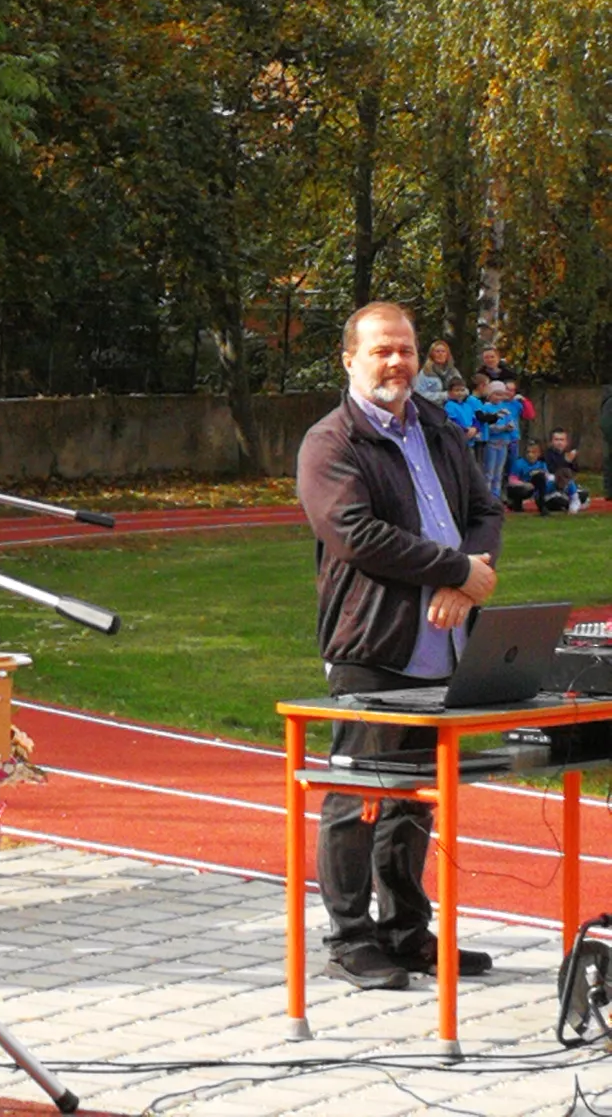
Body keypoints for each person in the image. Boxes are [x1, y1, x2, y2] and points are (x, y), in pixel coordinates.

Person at [294, 301, 503, 992]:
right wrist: (454, 569)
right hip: (371, 645)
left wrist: (470, 579)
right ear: (349, 358)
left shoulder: (438, 427)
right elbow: (356, 533)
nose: (397, 363)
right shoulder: (331, 442)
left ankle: (408, 932)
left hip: (444, 646)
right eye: (382, 350)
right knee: (357, 795)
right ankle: (350, 940)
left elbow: (484, 510)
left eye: (406, 350)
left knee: (416, 799)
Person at [480, 381, 520, 501]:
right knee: (489, 473)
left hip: (504, 443)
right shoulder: (486, 407)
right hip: (491, 444)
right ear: (490, 394)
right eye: (496, 394)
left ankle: (496, 498)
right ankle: (487, 499)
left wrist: (511, 428)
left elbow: (511, 422)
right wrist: (502, 428)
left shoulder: (505, 408)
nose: (499, 397)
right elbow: (488, 427)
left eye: (501, 395)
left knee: (499, 473)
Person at [543, 428, 587, 512]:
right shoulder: (547, 454)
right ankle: (571, 499)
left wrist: (571, 462)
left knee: (583, 493)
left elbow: (575, 470)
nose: (559, 442)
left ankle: (573, 497)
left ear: (566, 442)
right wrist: (566, 461)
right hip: (552, 483)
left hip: (567, 484)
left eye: (562, 440)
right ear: (551, 442)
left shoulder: (568, 453)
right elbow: (552, 470)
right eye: (556, 440)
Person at [413, 340, 460, 407]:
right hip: (433, 409)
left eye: (443, 351)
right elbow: (418, 395)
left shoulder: (453, 371)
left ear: (447, 355)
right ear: (432, 354)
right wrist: (445, 395)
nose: (440, 354)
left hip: (453, 408)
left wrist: (460, 393)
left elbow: (463, 387)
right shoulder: (426, 372)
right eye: (437, 351)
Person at [506, 441, 550, 512]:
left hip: (534, 489)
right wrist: (525, 484)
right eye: (528, 452)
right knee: (517, 490)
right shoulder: (518, 463)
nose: (530, 455)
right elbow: (511, 480)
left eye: (533, 452)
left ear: (538, 454)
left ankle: (542, 505)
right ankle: (516, 505)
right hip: (521, 488)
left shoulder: (541, 464)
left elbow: (547, 478)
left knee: (541, 477)